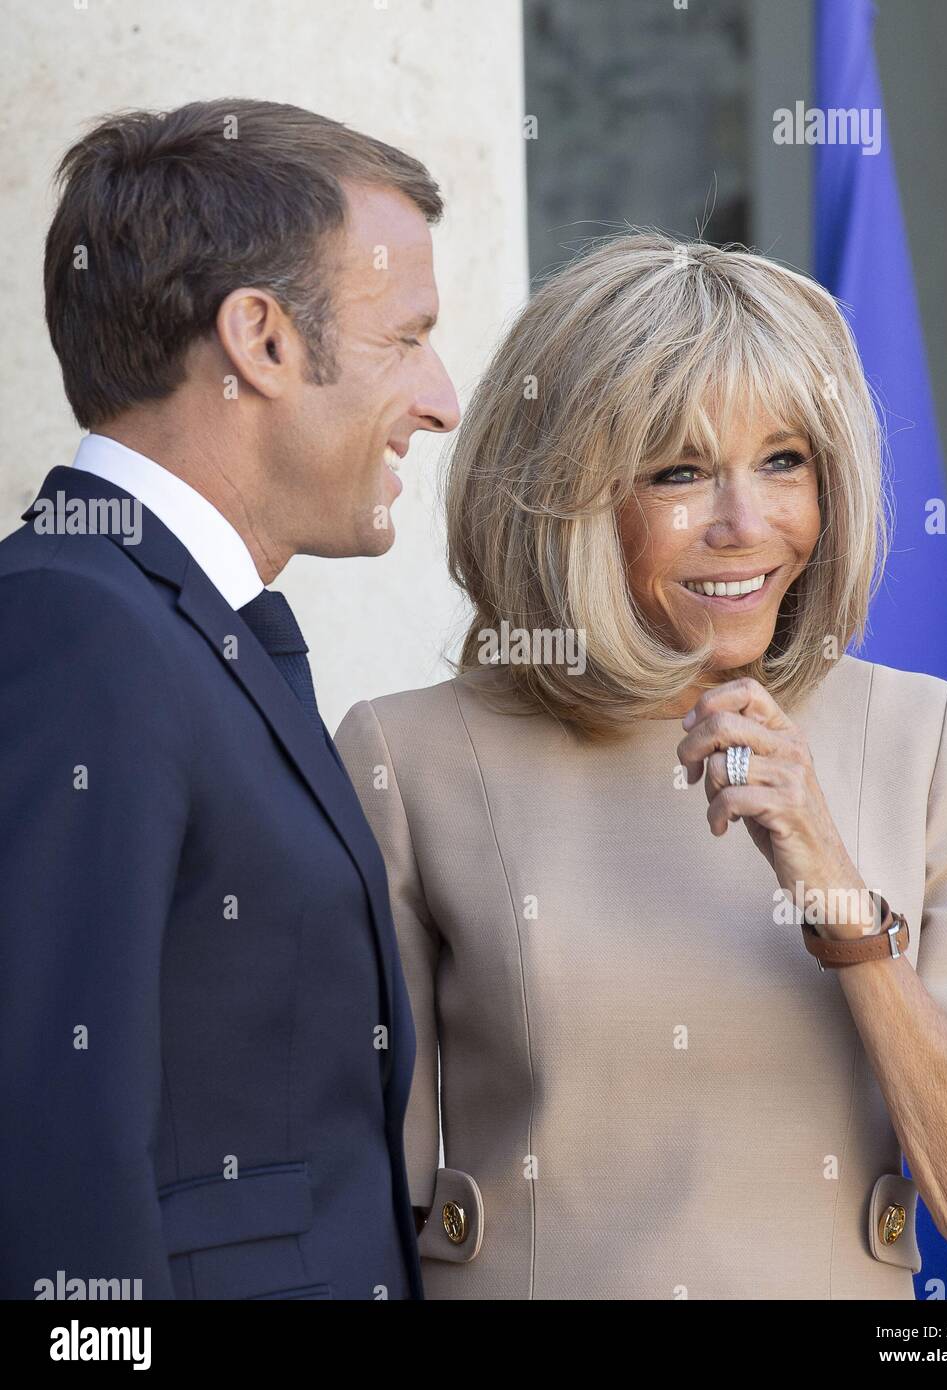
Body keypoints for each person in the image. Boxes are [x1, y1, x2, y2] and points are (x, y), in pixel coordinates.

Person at [336, 234, 947, 1300]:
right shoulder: (408, 756)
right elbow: (356, 1204)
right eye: (677, 471)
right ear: (569, 500)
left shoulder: (927, 737)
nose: (744, 524)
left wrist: (834, 895)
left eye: (783, 461)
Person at [0, 98, 459, 1300]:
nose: (442, 397)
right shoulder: (75, 625)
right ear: (260, 339)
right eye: (406, 337)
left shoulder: (170, 625)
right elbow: (48, 1137)